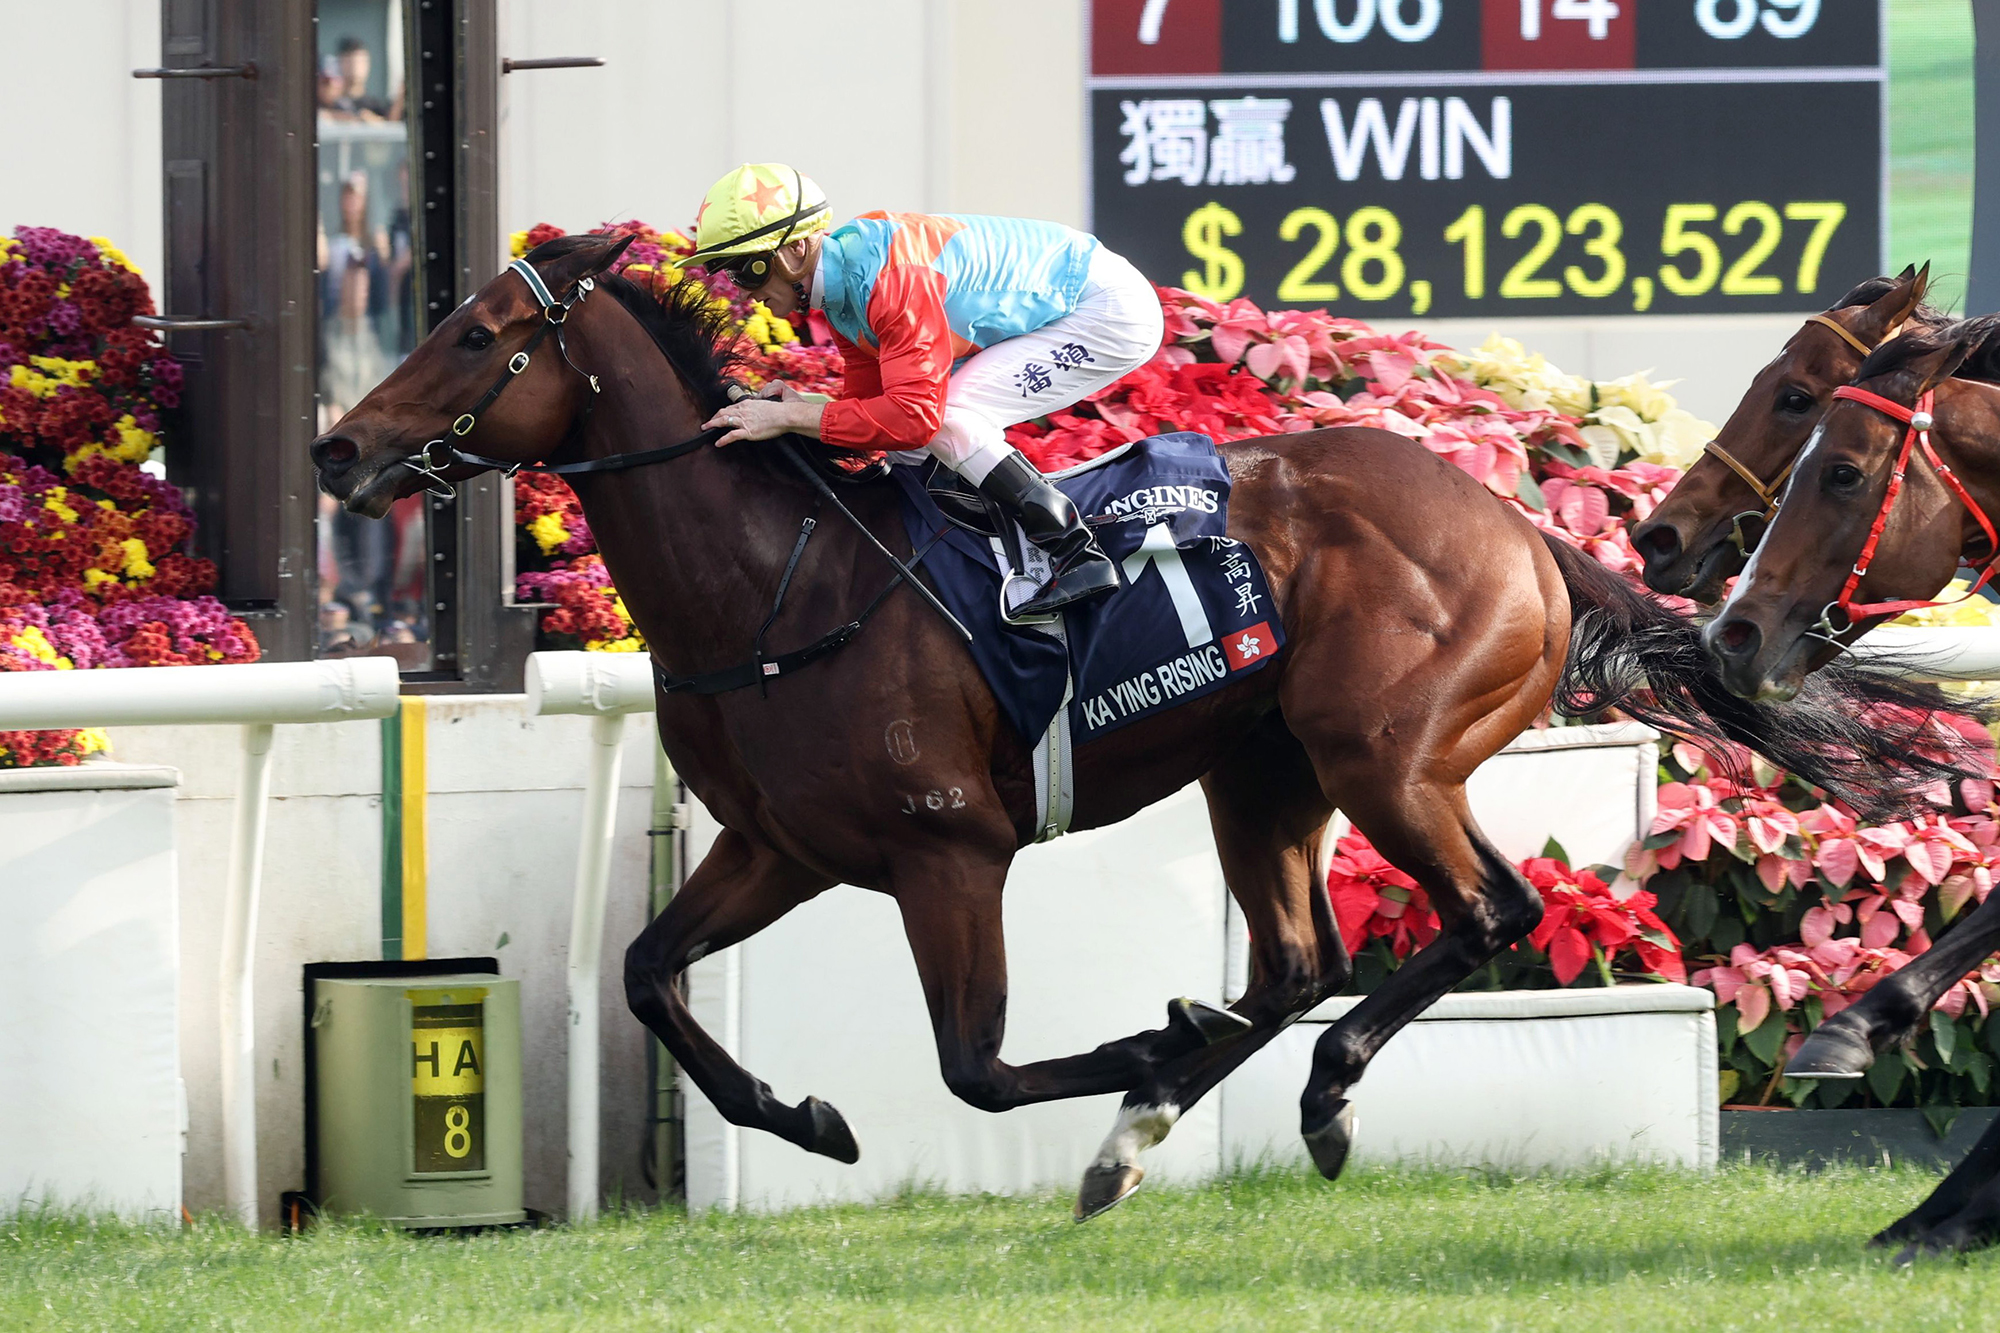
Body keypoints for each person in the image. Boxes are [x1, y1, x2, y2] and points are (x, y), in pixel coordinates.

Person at [689, 163, 1163, 616]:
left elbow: (915, 416)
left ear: (796, 250)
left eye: (746, 269)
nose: (741, 290)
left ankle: (1079, 556)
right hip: (1078, 300)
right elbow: (873, 415)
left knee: (948, 415)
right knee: (917, 449)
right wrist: (800, 406)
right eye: (729, 273)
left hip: (1107, 308)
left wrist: (790, 418)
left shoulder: (887, 280)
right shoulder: (842, 289)